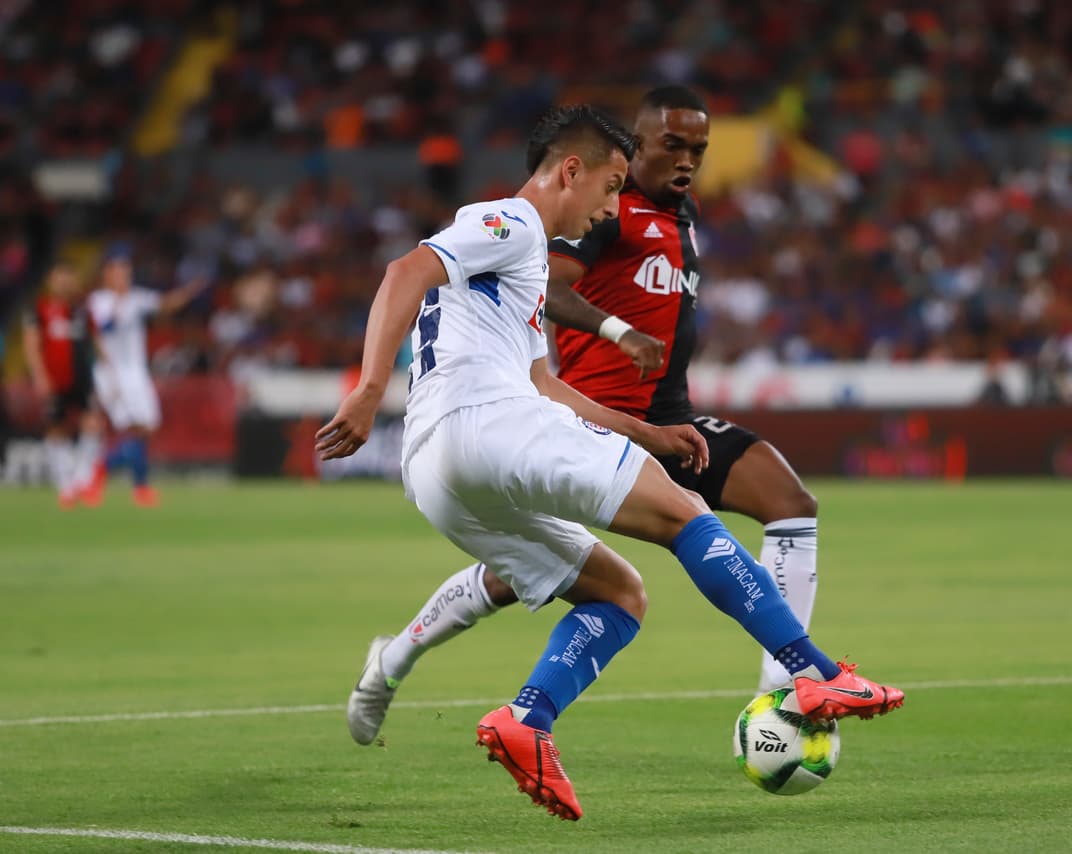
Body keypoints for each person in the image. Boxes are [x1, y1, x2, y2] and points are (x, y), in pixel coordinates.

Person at [321, 104, 903, 821]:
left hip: (436, 469)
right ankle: (813, 674)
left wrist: (644, 432)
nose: (608, 208)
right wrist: (369, 388)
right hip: (484, 422)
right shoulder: (509, 222)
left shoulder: (523, 269)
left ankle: (527, 718)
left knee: (620, 595)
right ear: (572, 170)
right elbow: (404, 270)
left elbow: (543, 384)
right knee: (684, 514)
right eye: (609, 185)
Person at [86, 245, 206, 507]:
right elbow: (101, 329)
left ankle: (130, 483)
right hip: (113, 374)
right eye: (119, 272)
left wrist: (189, 291)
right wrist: (118, 304)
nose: (124, 277)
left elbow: (164, 305)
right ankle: (103, 473)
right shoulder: (99, 301)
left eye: (126, 272)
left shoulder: (136, 298)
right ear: (107, 274)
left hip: (135, 374)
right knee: (135, 428)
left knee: (145, 429)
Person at [21, 263, 104, 508]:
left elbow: (95, 339)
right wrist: (39, 376)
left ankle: (81, 479)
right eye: (60, 278)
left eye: (69, 277)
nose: (65, 283)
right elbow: (31, 344)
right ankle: (66, 485)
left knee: (92, 424)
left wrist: (109, 366)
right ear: (50, 280)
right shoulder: (38, 309)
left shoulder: (81, 309)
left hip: (82, 376)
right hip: (55, 379)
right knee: (57, 429)